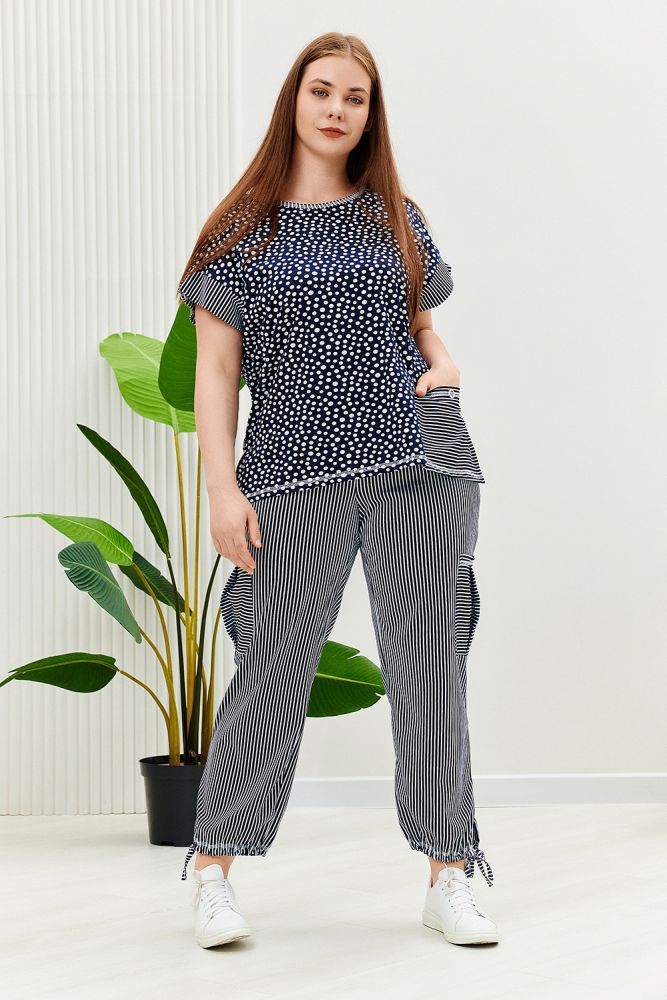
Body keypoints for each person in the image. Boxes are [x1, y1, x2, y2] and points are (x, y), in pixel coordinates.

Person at [176, 31, 499, 950]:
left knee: (429, 668)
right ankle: (211, 869)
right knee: (272, 669)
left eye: (353, 98)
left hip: (418, 465)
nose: (335, 109)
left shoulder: (395, 213)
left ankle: (449, 872)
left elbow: (420, 325)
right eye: (321, 91)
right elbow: (216, 370)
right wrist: (221, 488)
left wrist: (443, 362)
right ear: (294, 99)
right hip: (289, 476)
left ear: (369, 114)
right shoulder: (239, 229)